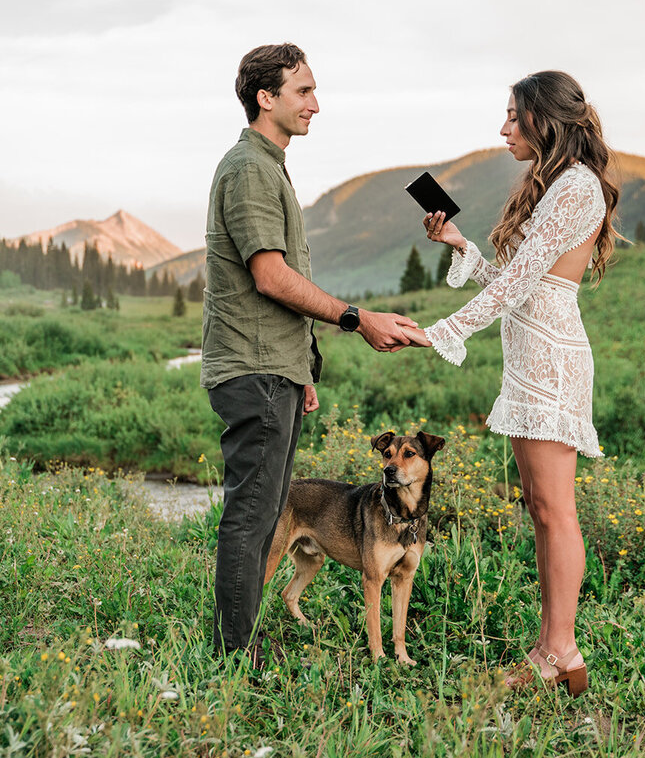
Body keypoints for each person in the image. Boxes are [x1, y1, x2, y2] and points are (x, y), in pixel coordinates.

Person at [201, 43, 423, 666]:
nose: (316, 105)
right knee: (254, 514)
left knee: (268, 508)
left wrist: (303, 368)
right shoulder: (249, 168)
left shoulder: (270, 166)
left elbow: (279, 284)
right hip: (252, 368)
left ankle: (237, 642)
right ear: (265, 98)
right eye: (303, 92)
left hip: (277, 369)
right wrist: (357, 318)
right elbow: (271, 277)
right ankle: (234, 654)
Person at [408, 70, 620, 696]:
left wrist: (444, 330)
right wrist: (457, 242)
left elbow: (521, 281)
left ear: (544, 119)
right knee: (540, 508)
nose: (503, 129)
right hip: (531, 358)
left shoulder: (578, 188)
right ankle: (555, 649)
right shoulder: (555, 187)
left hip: (552, 361)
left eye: (512, 117)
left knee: (556, 512)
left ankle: (559, 651)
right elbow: (512, 276)